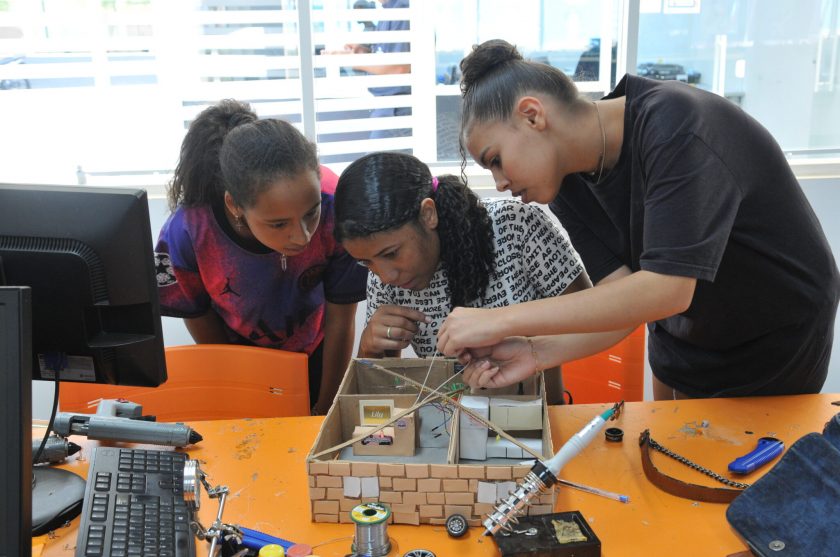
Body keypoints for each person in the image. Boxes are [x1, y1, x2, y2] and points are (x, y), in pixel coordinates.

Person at [438, 39, 840, 399]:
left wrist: (498, 321)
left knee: (739, 471)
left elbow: (667, 289)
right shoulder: (567, 184)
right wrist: (534, 351)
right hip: (686, 331)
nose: (500, 183)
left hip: (772, 335)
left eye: (495, 160)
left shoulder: (677, 127)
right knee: (667, 457)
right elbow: (626, 299)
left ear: (532, 115)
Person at [154, 99, 368, 414]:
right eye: (278, 224)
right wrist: (241, 388)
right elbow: (198, 317)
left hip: (317, 353)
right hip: (238, 357)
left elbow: (341, 318)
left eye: (311, 215)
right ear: (234, 206)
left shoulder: (337, 204)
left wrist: (327, 408)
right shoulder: (185, 234)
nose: (303, 236)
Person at [333, 151, 591, 403]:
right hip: (447, 427)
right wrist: (369, 350)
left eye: (391, 253)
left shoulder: (516, 226)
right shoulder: (382, 275)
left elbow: (593, 317)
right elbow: (382, 396)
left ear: (428, 214)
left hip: (539, 418)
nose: (386, 276)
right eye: (366, 262)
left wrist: (505, 325)